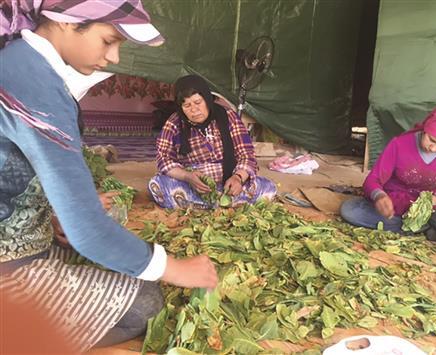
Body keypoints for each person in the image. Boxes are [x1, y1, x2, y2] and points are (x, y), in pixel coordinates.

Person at [0, 0, 217, 351]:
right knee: (146, 303)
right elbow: (88, 234)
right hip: (7, 261)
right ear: (69, 23)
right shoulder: (33, 84)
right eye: (109, 40)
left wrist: (55, 212)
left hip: (17, 235)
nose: (115, 57)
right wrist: (176, 267)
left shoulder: (21, 62)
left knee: (112, 226)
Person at [340, 104, 436, 275]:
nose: (433, 148)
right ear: (426, 128)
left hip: (431, 205)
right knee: (350, 210)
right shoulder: (400, 144)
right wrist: (379, 196)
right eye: (431, 140)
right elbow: (374, 179)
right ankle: (427, 228)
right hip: (395, 203)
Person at [148, 74, 277, 209]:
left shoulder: (228, 117)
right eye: (187, 105)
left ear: (207, 99)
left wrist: (238, 178)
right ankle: (222, 204)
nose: (193, 109)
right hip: (193, 186)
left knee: (268, 189)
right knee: (157, 185)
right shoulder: (174, 123)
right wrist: (187, 176)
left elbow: (247, 154)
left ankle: (203, 205)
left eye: (198, 102)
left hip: (230, 184)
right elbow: (163, 159)